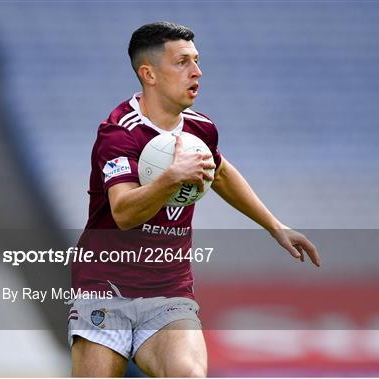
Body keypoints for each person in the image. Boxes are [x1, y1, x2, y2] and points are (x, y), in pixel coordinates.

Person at [69, 21, 320, 377]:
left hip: (168, 291)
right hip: (105, 287)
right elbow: (123, 212)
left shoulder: (201, 129)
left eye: (197, 61)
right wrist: (173, 177)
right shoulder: (119, 134)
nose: (197, 72)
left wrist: (275, 226)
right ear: (149, 74)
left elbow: (219, 171)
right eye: (183, 62)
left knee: (189, 375)